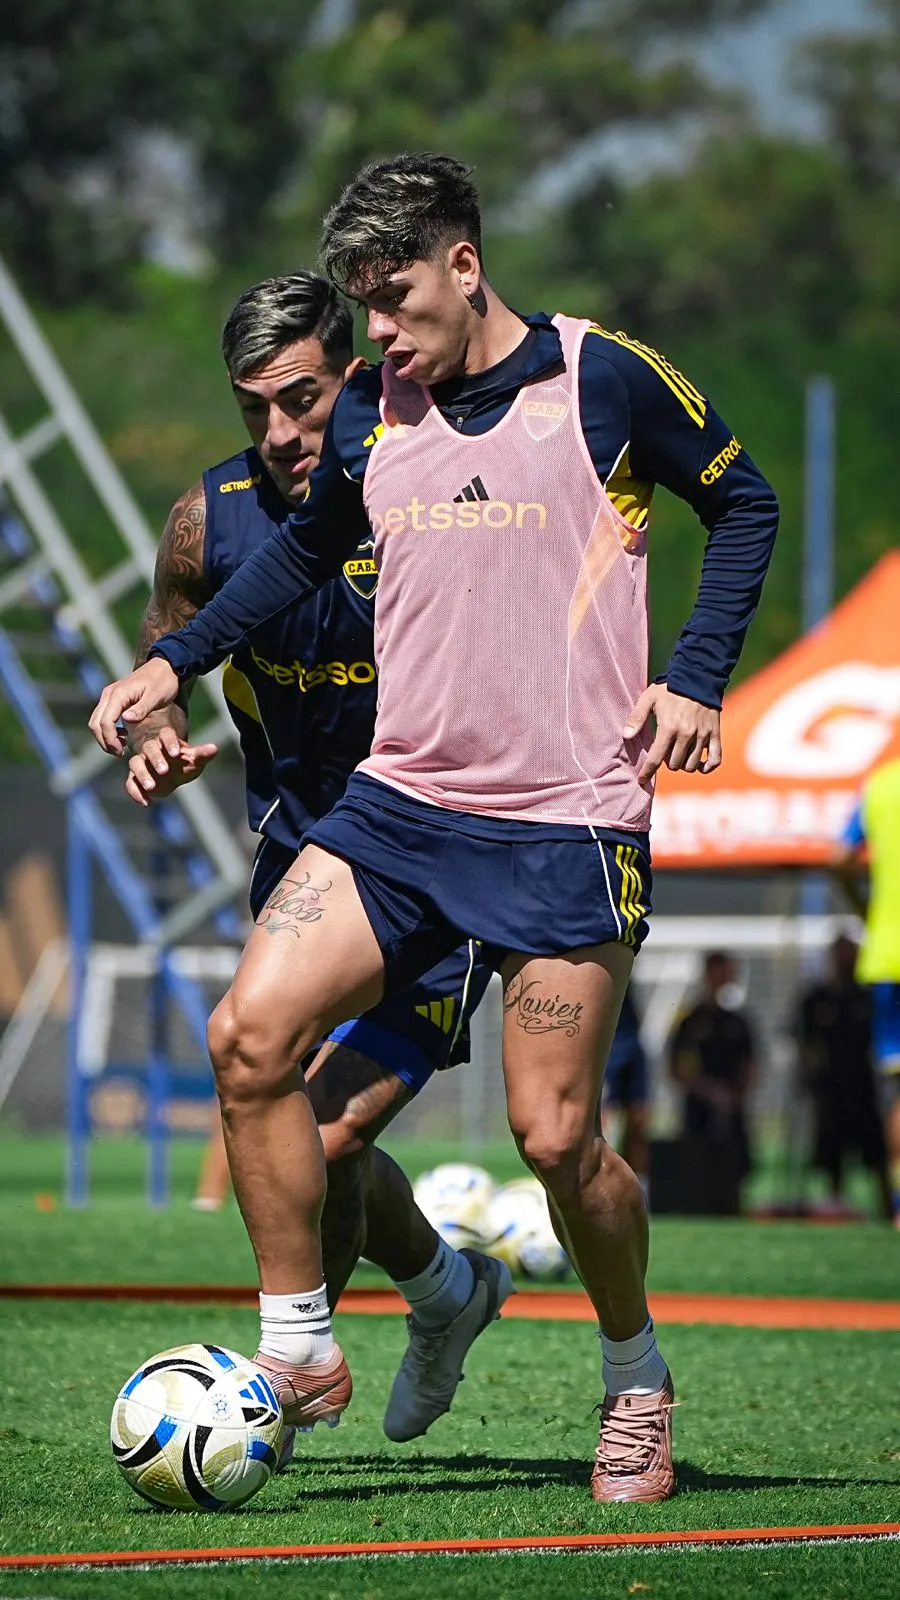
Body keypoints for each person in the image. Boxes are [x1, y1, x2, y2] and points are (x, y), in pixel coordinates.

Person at [89, 152, 779, 1503]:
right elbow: (297, 555)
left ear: (466, 262)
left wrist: (696, 672)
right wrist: (174, 665)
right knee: (250, 1038)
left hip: (565, 822)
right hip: (400, 809)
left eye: (395, 302)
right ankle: (297, 1348)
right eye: (365, 308)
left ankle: (635, 1374)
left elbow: (742, 501)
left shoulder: (606, 378)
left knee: (554, 1142)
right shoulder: (376, 416)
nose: (381, 338)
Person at [123, 270, 509, 1441]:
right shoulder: (207, 520)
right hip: (304, 871)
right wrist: (155, 732)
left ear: (353, 370)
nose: (283, 432)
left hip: (443, 873)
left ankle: (273, 1392)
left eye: (301, 398)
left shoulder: (433, 488)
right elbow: (164, 653)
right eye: (255, 410)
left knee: (327, 1128)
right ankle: (449, 1288)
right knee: (304, 1127)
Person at [833, 756, 900, 1227]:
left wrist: (869, 910)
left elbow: (838, 858)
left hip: (886, 955)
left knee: (897, 1092)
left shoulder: (879, 784)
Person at [796, 934, 892, 1219]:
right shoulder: (816, 1000)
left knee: (877, 1157)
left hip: (863, 1088)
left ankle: (888, 1213)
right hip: (830, 1091)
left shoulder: (868, 997)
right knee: (832, 1158)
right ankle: (837, 1213)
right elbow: (807, 1046)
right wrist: (811, 1086)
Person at [667, 951, 756, 1211]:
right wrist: (709, 1092)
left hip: (733, 1108)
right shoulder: (690, 1021)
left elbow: (750, 1065)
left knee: (735, 1167)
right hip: (699, 1109)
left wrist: (735, 1096)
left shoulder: (739, 1022)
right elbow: (678, 1068)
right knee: (698, 1168)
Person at [601, 983, 650, 1196]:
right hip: (603, 1042)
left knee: (638, 1120)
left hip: (630, 1042)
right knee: (602, 1123)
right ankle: (602, 1188)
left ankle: (640, 1193)